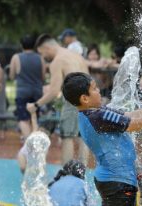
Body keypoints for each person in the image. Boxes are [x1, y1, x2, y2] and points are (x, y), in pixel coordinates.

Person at [61, 72, 142, 205]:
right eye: (94, 88)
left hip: (113, 180)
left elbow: (130, 115)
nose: (99, 91)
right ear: (85, 99)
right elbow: (135, 125)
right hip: (117, 181)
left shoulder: (93, 114)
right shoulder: (97, 116)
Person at [26, 34, 90, 166]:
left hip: (73, 99)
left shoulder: (57, 61)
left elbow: (54, 92)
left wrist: (36, 105)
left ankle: (66, 176)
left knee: (67, 136)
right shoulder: (76, 56)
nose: (43, 57)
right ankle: (82, 174)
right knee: (83, 136)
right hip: (89, 97)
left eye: (41, 53)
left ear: (47, 47)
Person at [9, 35, 46, 172]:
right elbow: (43, 76)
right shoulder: (40, 58)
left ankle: (28, 148)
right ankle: (33, 147)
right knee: (34, 119)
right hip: (37, 93)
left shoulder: (16, 57)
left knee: (23, 119)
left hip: (22, 92)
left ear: (21, 45)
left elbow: (12, 75)